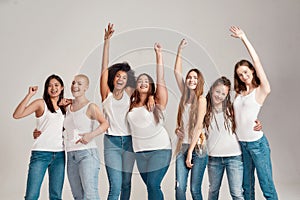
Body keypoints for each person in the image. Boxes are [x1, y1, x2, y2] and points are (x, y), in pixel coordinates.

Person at [100, 23, 153, 200]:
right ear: (113, 78)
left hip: (130, 142)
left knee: (126, 183)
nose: (121, 79)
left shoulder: (130, 94)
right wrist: (106, 42)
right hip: (112, 144)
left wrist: (151, 96)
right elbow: (103, 69)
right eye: (118, 76)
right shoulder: (106, 94)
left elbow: (146, 91)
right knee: (115, 185)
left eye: (124, 77)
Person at [230, 26, 278, 200]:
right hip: (241, 144)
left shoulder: (261, 90)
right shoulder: (239, 93)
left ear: (251, 71)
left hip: (257, 145)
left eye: (245, 72)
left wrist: (244, 38)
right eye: (239, 75)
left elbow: (257, 61)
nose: (243, 76)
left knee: (267, 186)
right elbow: (238, 117)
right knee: (246, 188)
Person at [126, 42, 172, 200]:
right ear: (136, 86)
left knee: (153, 185)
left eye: (146, 81)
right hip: (140, 152)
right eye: (140, 81)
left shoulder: (158, 102)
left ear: (151, 85)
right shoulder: (131, 104)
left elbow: (161, 78)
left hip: (160, 150)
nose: (143, 83)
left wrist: (159, 55)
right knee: (151, 188)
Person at [13, 74, 66, 200]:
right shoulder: (41, 103)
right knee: (32, 196)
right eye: (49, 86)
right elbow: (17, 115)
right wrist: (29, 95)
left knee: (56, 196)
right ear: (46, 89)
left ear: (62, 87)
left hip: (60, 155)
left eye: (56, 85)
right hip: (41, 153)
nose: (53, 88)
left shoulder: (65, 106)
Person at [63, 74, 109, 199]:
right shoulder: (67, 108)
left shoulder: (91, 106)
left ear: (86, 88)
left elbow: (105, 124)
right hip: (70, 155)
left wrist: (91, 135)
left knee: (90, 194)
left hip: (87, 154)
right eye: (73, 83)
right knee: (78, 196)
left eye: (79, 83)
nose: (75, 86)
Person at [173, 39, 208, 200]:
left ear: (199, 81)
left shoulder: (201, 100)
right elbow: (176, 72)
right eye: (189, 78)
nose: (191, 80)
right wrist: (179, 50)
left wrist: (189, 153)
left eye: (195, 78)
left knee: (195, 190)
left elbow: (198, 127)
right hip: (183, 146)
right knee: (180, 188)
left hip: (198, 148)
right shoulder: (184, 96)